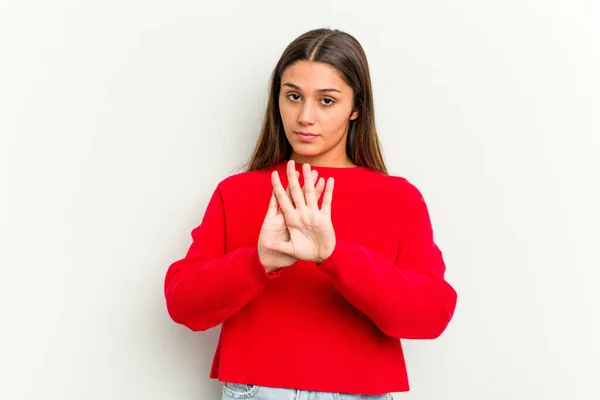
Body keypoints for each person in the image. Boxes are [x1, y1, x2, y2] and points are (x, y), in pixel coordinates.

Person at [164, 28, 457, 400]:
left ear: (356, 108)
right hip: (256, 391)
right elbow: (183, 305)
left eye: (327, 101)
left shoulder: (397, 198)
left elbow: (430, 315)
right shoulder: (236, 193)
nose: (305, 116)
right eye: (293, 96)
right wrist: (258, 263)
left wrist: (336, 258)